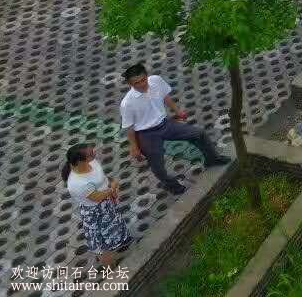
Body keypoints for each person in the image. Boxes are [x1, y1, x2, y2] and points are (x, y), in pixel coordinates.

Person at [120, 62, 229, 195]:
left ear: (147, 76)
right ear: (130, 84)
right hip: (146, 134)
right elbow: (129, 128)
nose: (142, 84)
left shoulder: (156, 81)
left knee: (198, 133)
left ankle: (212, 159)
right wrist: (134, 147)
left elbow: (165, 96)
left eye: (143, 79)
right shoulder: (127, 103)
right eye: (137, 83)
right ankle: (172, 186)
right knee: (158, 166)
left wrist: (177, 111)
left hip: (165, 124)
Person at [63, 143, 130, 268]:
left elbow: (101, 177)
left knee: (113, 230)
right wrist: (113, 188)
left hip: (106, 205)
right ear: (81, 161)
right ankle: (109, 269)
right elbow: (97, 197)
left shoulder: (91, 163)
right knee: (102, 244)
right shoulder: (77, 183)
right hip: (95, 213)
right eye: (91, 153)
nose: (95, 153)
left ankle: (118, 242)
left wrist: (110, 183)